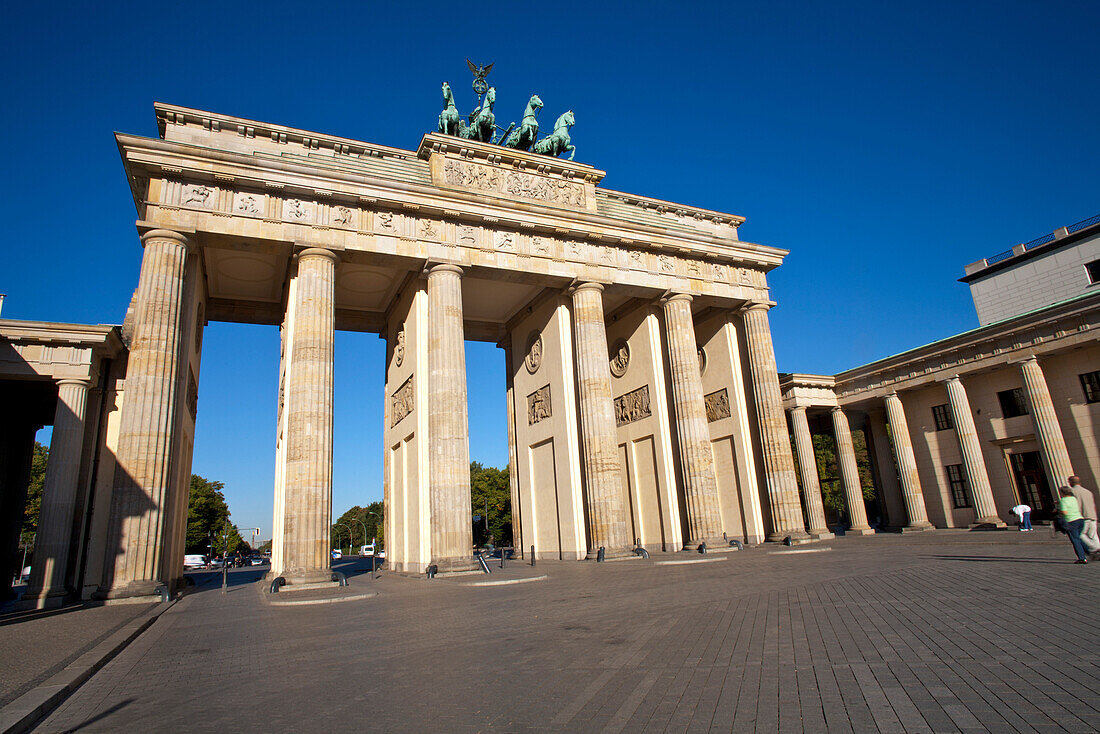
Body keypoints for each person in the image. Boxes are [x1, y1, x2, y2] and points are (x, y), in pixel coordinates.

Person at [1067, 476, 1099, 557]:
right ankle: (1097, 548)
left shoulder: (1072, 492)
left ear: (1071, 482)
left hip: (1083, 516)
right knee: (1093, 535)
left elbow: (1075, 505)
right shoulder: (1088, 491)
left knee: (1081, 535)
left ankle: (1093, 548)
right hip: (1092, 515)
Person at [1057, 486, 1089, 564]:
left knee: (1075, 540)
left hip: (1071, 521)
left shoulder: (1063, 500)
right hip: (1080, 519)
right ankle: (1089, 551)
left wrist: (1058, 510)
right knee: (1078, 537)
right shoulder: (1073, 498)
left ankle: (1082, 558)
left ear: (1062, 493)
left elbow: (1065, 512)